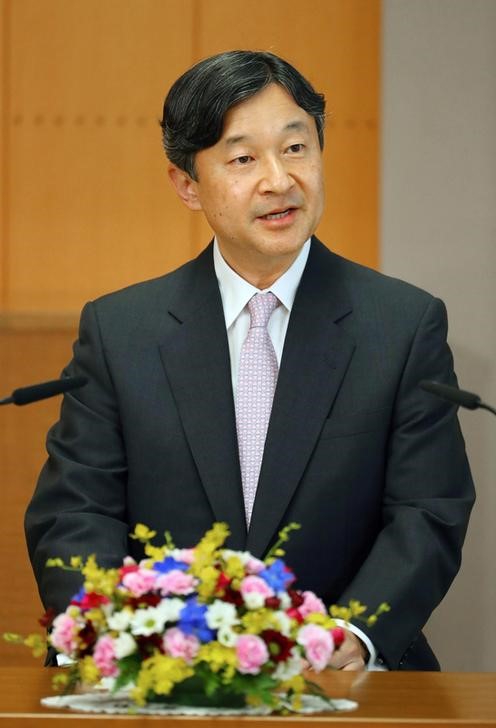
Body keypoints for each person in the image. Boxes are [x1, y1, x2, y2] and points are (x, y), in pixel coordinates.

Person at [25, 50, 474, 671]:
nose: (279, 181)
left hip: (344, 683)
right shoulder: (120, 330)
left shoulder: (401, 325)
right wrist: (119, 636)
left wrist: (353, 632)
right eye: (243, 159)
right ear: (187, 184)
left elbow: (428, 510)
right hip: (162, 680)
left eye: (296, 148)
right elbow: (76, 510)